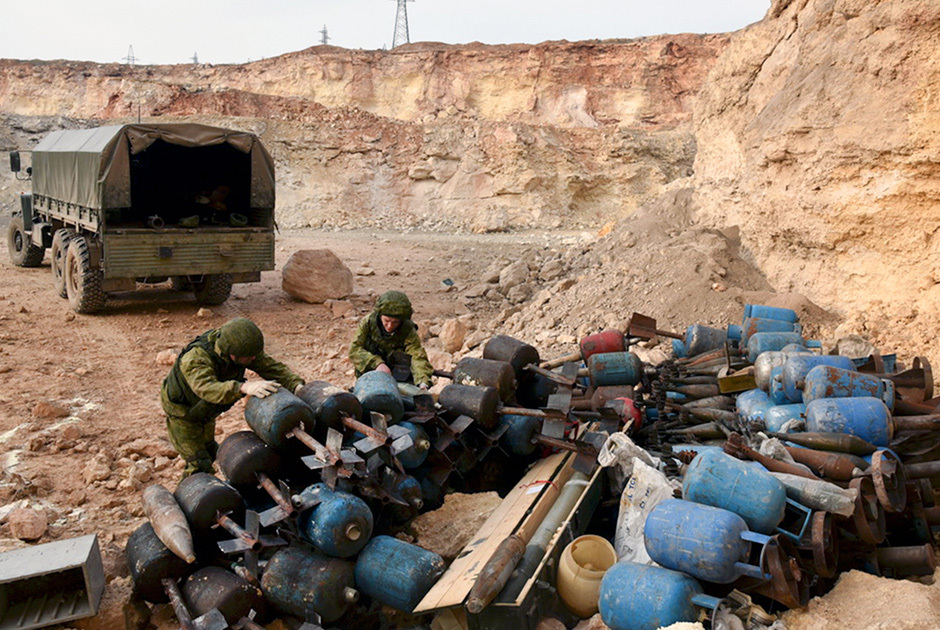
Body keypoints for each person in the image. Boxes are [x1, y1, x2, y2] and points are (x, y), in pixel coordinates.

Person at [161, 317, 304, 478]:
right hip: (183, 412)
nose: (254, 359)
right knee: (199, 465)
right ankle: (187, 497)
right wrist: (243, 387)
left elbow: (270, 367)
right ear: (232, 354)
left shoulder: (241, 350)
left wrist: (297, 386)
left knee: (209, 449)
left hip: (205, 410)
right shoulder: (196, 358)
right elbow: (207, 388)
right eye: (250, 357)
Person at [349, 290, 433, 388]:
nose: (389, 326)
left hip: (399, 375)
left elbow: (417, 355)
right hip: (370, 374)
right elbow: (354, 350)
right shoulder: (368, 323)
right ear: (379, 316)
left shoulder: (407, 329)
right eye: (386, 320)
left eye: (395, 322)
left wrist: (422, 381)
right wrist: (377, 364)